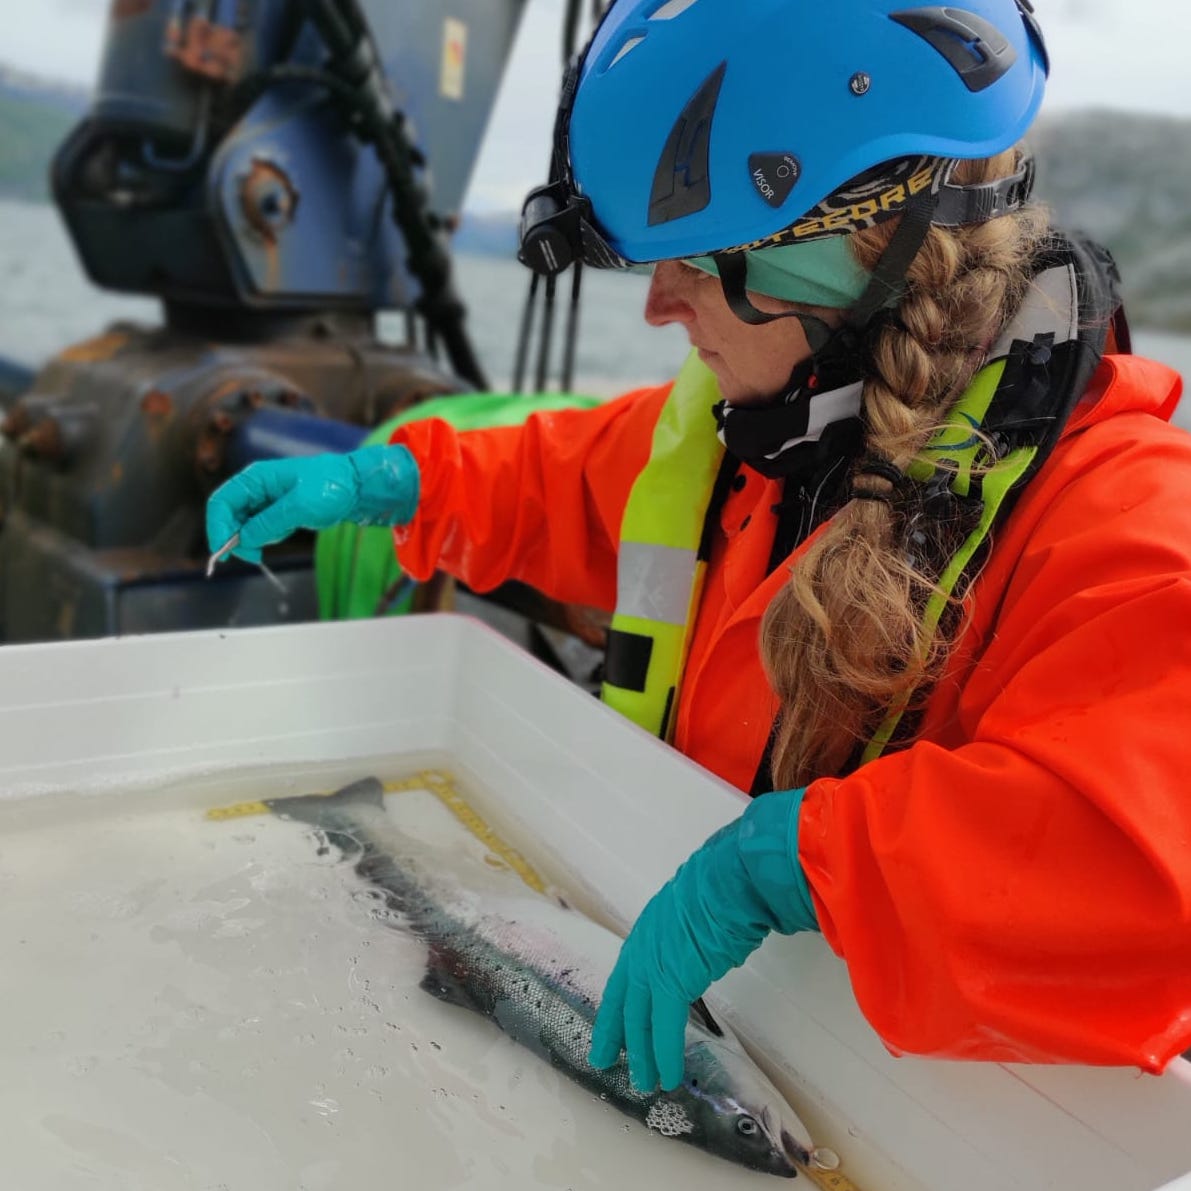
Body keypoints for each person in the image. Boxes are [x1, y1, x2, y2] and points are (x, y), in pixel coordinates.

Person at [206, 0, 1191, 1097]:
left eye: (698, 259)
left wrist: (801, 867)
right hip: (684, 996)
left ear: (851, 252)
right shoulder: (745, 435)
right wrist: (386, 480)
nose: (660, 307)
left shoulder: (1128, 522)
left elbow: (1147, 867)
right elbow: (559, 479)